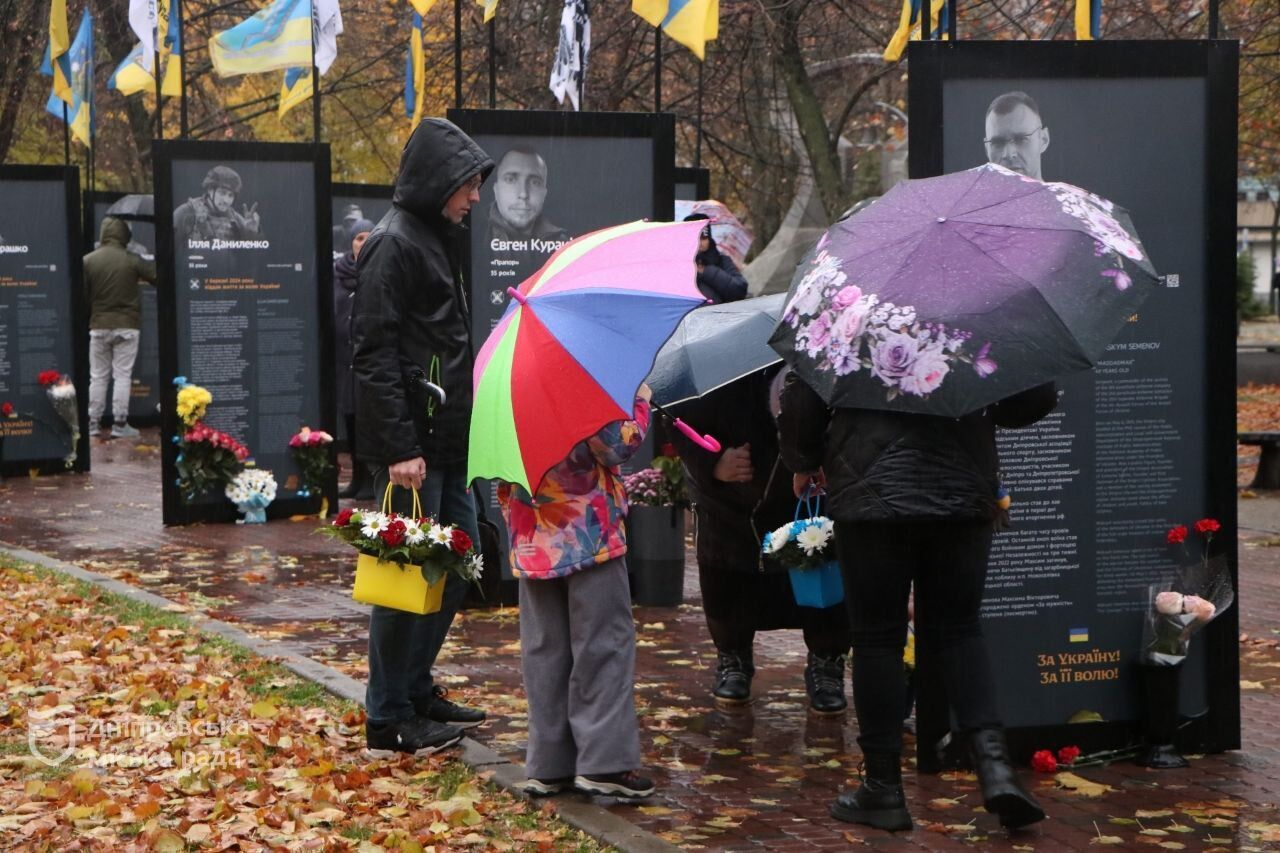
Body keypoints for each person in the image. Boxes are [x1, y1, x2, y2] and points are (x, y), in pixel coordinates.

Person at [777, 372, 1056, 832]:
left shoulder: (848, 306)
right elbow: (1036, 394)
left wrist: (804, 461)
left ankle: (882, 788)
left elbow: (802, 400)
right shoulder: (980, 305)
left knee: (876, 637)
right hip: (962, 488)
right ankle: (996, 771)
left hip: (871, 492)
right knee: (960, 629)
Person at [352, 117, 493, 757]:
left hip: (450, 443)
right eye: (469, 183)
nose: (476, 196)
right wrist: (399, 447)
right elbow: (374, 353)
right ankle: (388, 717)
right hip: (415, 449)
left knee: (455, 569)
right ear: (440, 181)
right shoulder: (394, 243)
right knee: (406, 575)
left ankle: (414, 689)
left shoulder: (435, 235)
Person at [499, 384, 656, 801]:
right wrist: (638, 400)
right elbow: (615, 446)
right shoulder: (581, 378)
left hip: (532, 533)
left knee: (544, 649)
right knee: (603, 644)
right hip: (586, 533)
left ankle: (548, 766)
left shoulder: (514, 383)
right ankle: (604, 763)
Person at [670, 366, 851, 713]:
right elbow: (676, 415)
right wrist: (711, 462)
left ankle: (827, 663)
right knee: (729, 582)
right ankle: (733, 658)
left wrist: (828, 457)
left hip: (810, 493)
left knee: (822, 577)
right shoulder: (716, 334)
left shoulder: (825, 331)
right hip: (732, 500)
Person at [83, 216, 157, 438]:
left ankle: (93, 423)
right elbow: (155, 274)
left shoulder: (88, 260)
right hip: (127, 326)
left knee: (97, 376)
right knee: (122, 376)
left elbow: (82, 294)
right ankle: (119, 423)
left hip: (98, 325)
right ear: (125, 234)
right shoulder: (131, 259)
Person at [334, 218, 375, 500]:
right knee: (350, 418)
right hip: (343, 359)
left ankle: (370, 478)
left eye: (368, 237)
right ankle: (357, 478)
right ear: (351, 242)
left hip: (369, 357)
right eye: (359, 237)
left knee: (368, 420)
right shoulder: (338, 273)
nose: (363, 242)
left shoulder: (380, 268)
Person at [486, 147, 568, 245]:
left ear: (544, 194)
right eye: (510, 180)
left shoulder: (562, 242)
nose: (523, 194)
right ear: (496, 189)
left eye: (535, 182)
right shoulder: (476, 234)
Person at [173, 165, 261, 241]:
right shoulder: (185, 212)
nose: (226, 200)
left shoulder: (236, 220)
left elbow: (253, 256)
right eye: (222, 193)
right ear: (210, 189)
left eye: (231, 195)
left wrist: (252, 235)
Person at [983, 91, 1050, 181]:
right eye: (998, 143)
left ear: (1043, 140)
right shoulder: (973, 195)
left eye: (1020, 139)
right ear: (987, 149)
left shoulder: (1069, 195)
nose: (1009, 154)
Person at [683, 213, 747, 303]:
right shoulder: (679, 263)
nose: (699, 243)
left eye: (703, 238)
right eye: (695, 238)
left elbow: (739, 291)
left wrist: (706, 271)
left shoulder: (722, 260)